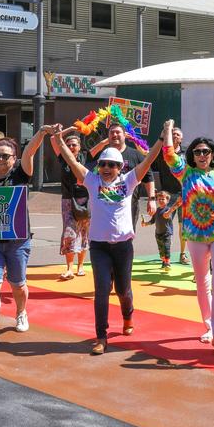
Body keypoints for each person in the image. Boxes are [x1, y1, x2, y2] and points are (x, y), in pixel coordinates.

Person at [55, 124, 163, 355]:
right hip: (99, 247)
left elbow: (149, 159)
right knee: (102, 290)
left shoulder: (129, 181)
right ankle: (101, 337)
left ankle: (127, 316)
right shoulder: (92, 181)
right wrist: (58, 138)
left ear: (120, 167)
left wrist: (162, 138)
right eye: (103, 164)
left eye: (112, 165)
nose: (106, 168)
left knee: (123, 290)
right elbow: (72, 161)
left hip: (123, 246)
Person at [0, 126, 61, 349]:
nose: (1, 159)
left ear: (14, 158)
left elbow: (30, 152)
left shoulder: (20, 174)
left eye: (5, 156)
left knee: (17, 284)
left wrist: (42, 133)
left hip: (17, 241)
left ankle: (21, 311)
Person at [163, 120, 214, 351]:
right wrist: (168, 130)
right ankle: (208, 325)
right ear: (192, 156)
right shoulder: (186, 173)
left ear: (213, 154)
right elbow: (168, 154)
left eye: (206, 151)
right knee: (202, 283)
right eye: (197, 152)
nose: (202, 155)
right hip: (195, 235)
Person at [91, 123, 156, 231]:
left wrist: (152, 199)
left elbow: (149, 177)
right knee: (104, 235)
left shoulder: (135, 155)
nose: (114, 135)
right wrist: (103, 143)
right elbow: (88, 159)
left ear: (125, 135)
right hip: (104, 204)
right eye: (112, 133)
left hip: (129, 205)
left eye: (118, 132)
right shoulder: (103, 154)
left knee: (126, 236)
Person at [49, 132, 91, 280]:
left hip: (85, 199)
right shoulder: (63, 158)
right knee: (69, 232)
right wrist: (69, 129)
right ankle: (69, 268)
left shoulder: (86, 156)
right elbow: (53, 138)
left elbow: (103, 144)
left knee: (84, 232)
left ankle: (81, 266)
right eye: (69, 145)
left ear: (80, 147)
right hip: (68, 199)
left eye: (74, 144)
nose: (72, 147)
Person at [151, 126, 190, 264]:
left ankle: (182, 254)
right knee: (164, 225)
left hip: (184, 194)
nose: (175, 136)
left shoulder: (188, 154)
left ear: (182, 138)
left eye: (178, 134)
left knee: (182, 225)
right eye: (172, 133)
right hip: (167, 194)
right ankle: (165, 255)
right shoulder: (163, 153)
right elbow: (146, 153)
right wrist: (134, 138)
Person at [141, 190, 178, 271]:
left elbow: (168, 216)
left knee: (166, 248)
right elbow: (153, 221)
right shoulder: (156, 210)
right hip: (158, 233)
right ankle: (164, 261)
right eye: (159, 199)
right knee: (161, 251)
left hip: (167, 233)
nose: (161, 201)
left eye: (163, 199)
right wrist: (146, 223)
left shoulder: (168, 210)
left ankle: (167, 263)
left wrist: (168, 213)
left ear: (167, 200)